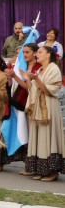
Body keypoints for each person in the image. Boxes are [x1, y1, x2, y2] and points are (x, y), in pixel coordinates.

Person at [24, 45, 65, 181]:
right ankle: (42, 169)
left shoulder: (54, 69)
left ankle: (52, 171)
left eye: (40, 52)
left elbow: (49, 90)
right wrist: (30, 79)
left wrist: (36, 79)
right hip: (39, 109)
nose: (37, 54)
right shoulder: (40, 70)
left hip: (49, 107)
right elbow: (33, 90)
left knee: (49, 136)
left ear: (48, 55)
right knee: (40, 137)